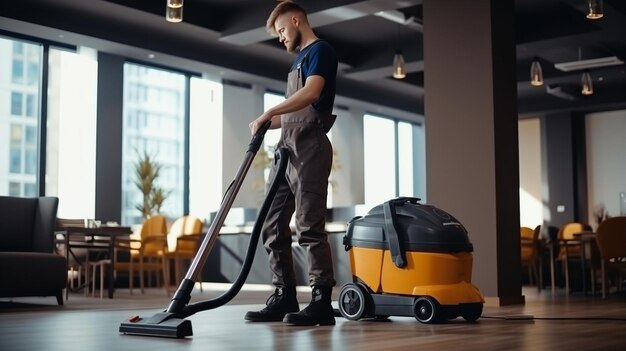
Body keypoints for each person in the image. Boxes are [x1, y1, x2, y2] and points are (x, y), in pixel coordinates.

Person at [245, 1, 338, 326]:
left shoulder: (319, 51)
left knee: (309, 224)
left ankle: (321, 300)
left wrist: (270, 112)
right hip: (286, 148)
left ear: (296, 20)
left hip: (310, 146)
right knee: (272, 223)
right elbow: (288, 116)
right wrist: (263, 121)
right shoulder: (298, 59)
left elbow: (312, 93)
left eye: (282, 30)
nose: (281, 37)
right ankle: (284, 294)